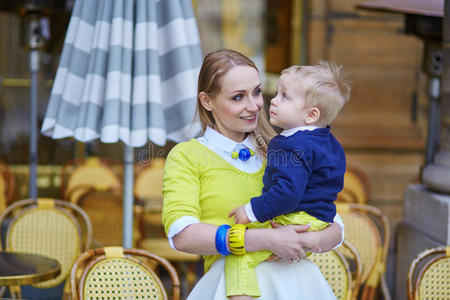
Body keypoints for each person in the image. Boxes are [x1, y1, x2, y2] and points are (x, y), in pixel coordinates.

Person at [161, 49, 345, 300]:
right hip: (229, 285)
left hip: (294, 285)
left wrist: (310, 240)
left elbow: (333, 222)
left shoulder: (285, 146)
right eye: (238, 97)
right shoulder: (187, 155)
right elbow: (182, 234)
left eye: (257, 92)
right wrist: (264, 238)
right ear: (207, 101)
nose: (254, 105)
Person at [227, 62, 351, 299]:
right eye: (276, 94)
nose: (273, 100)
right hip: (317, 220)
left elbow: (287, 193)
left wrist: (251, 211)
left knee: (239, 256)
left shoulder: (289, 146)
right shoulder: (329, 143)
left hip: (294, 219)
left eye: (285, 97)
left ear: (311, 114)